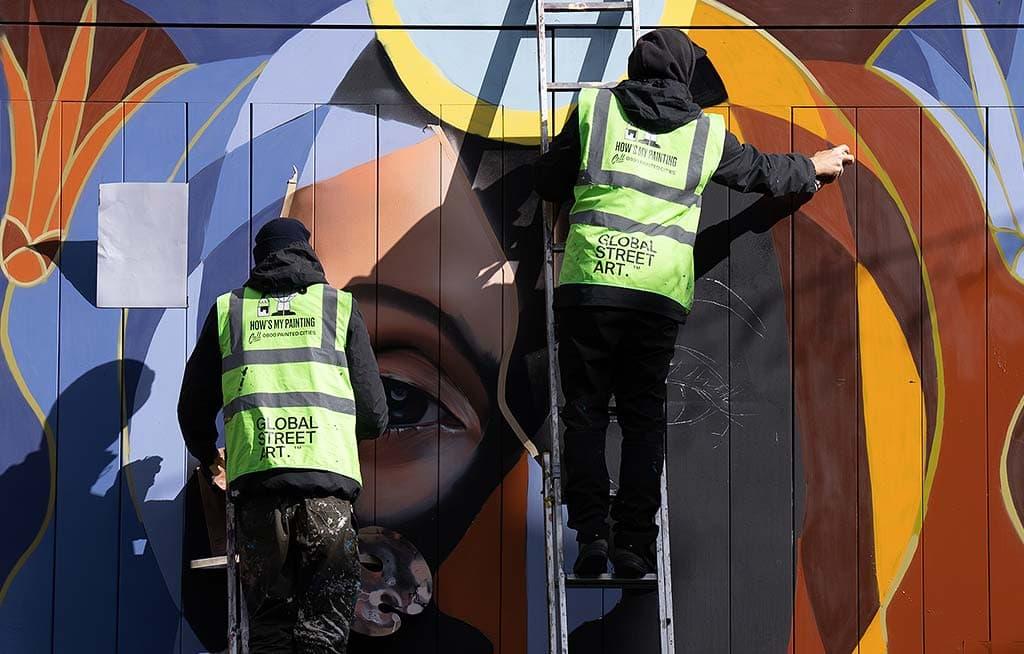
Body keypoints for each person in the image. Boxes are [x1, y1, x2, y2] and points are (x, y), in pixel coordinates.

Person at [534, 28, 853, 578]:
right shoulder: (705, 135)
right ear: (684, 75)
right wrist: (813, 166)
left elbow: (548, 182)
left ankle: (590, 536)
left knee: (584, 416)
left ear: (635, 69)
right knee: (642, 421)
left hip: (591, 287)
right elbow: (761, 172)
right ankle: (633, 544)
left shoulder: (594, 110)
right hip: (656, 298)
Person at [178, 217, 389, 652]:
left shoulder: (230, 311)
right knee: (324, 632)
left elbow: (192, 409)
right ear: (308, 253)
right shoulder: (337, 308)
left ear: (259, 259)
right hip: (327, 497)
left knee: (270, 630)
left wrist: (209, 455)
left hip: (260, 499)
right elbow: (374, 415)